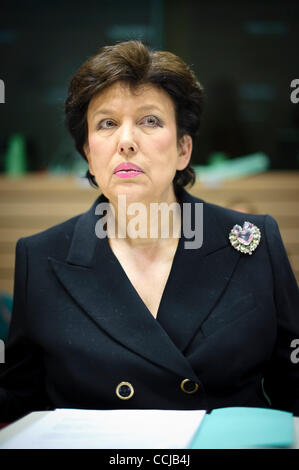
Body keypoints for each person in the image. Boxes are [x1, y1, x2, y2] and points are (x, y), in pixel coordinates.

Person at [0, 41, 298, 423]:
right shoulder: (41, 258)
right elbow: (21, 399)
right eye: (107, 123)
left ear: (183, 150)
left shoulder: (253, 240)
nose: (126, 141)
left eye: (150, 121)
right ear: (89, 154)